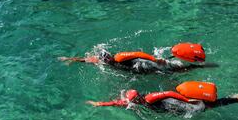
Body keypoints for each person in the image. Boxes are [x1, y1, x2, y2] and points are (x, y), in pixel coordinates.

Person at [87, 81, 238, 115]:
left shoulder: (150, 98)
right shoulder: (140, 101)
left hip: (181, 104)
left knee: (205, 106)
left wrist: (187, 100)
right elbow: (119, 103)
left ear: (137, 98)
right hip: (173, 108)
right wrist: (100, 104)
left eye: (132, 100)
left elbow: (168, 93)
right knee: (209, 106)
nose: (129, 102)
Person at [59, 43, 217, 73]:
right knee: (169, 72)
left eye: (107, 59)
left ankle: (200, 65)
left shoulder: (119, 57)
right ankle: (193, 67)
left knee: (173, 68)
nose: (107, 61)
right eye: (106, 60)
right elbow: (86, 61)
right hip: (140, 71)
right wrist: (70, 59)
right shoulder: (101, 62)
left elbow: (138, 55)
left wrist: (155, 59)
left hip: (146, 64)